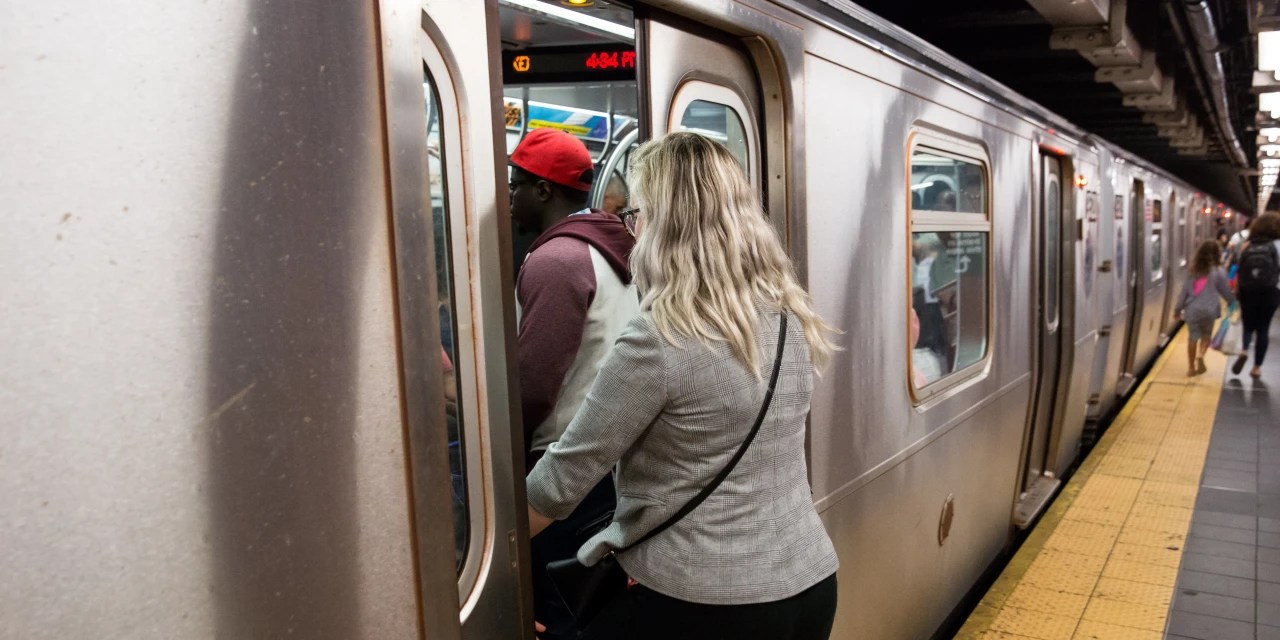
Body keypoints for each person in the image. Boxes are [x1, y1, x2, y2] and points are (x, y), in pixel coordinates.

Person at [526, 132, 840, 640]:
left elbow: (559, 483)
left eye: (636, 214)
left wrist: (481, 564)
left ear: (663, 225)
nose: (631, 229)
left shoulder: (660, 339)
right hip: (809, 584)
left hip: (705, 603)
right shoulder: (789, 315)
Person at [509, 128, 641, 639]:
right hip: (606, 463)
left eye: (517, 183)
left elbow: (535, 384)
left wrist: (493, 456)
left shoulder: (556, 261)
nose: (511, 196)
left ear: (544, 191)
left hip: (559, 471)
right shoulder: (610, 249)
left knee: (554, 614)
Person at [1173, 240, 1236, 376]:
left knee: (1193, 337)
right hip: (1210, 310)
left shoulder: (1193, 270)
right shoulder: (1219, 271)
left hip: (1193, 310)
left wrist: (1177, 309)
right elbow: (1225, 291)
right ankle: (1201, 355)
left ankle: (1191, 368)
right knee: (1206, 336)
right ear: (1217, 254)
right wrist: (1233, 303)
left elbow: (1184, 292)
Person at [1231, 212, 1280, 379]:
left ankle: (1244, 350)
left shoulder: (1247, 244)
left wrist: (1237, 289)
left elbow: (1240, 267)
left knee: (1248, 324)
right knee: (1263, 329)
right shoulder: (1278, 245)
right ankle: (1256, 368)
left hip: (1247, 290)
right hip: (1271, 292)